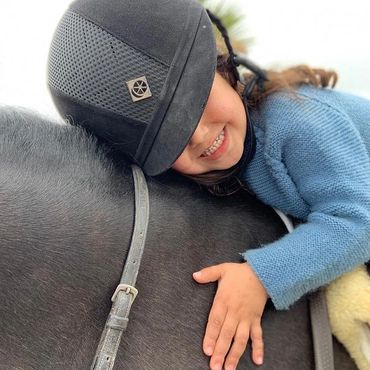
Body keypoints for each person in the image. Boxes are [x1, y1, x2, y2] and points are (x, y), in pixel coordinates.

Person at [47, 0, 370, 369]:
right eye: (172, 141)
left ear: (223, 68)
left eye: (199, 100)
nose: (199, 135)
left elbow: (357, 222)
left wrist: (260, 276)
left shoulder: (296, 123)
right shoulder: (220, 162)